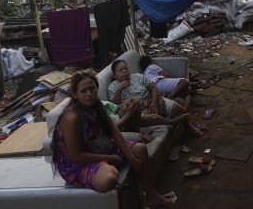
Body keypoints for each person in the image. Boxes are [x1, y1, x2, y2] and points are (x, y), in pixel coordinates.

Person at [51, 71, 172, 207]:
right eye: (83, 91)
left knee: (141, 150)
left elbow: (114, 131)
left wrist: (130, 156)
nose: (89, 94)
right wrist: (110, 159)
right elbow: (76, 156)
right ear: (75, 95)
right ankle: (106, 167)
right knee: (109, 178)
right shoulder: (72, 118)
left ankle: (152, 195)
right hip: (77, 164)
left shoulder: (96, 105)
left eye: (92, 89)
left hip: (97, 148)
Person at [108, 60, 200, 133]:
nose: (125, 71)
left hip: (151, 101)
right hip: (137, 111)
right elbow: (114, 107)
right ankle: (173, 122)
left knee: (177, 108)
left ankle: (189, 129)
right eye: (121, 70)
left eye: (126, 68)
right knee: (148, 118)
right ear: (115, 75)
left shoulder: (138, 76)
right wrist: (119, 89)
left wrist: (154, 102)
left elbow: (153, 87)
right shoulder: (113, 87)